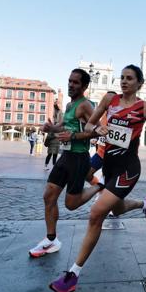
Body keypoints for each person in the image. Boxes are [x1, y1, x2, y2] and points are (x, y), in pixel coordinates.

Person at [49, 64, 146, 292]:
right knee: (117, 210)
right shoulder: (109, 100)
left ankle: (73, 274)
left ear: (139, 84)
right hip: (109, 166)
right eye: (122, 78)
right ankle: (145, 204)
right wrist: (98, 129)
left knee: (96, 213)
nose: (124, 82)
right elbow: (88, 124)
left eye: (129, 78)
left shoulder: (145, 107)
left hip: (128, 169)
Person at [29, 69, 103, 258]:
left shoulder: (85, 106)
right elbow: (62, 125)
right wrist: (51, 128)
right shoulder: (70, 105)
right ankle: (51, 240)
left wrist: (74, 135)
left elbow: (100, 130)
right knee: (49, 197)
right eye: (70, 81)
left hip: (79, 158)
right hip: (66, 156)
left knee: (71, 204)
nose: (71, 85)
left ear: (84, 86)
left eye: (76, 82)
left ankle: (99, 186)